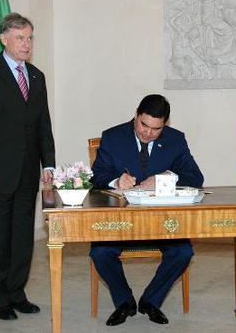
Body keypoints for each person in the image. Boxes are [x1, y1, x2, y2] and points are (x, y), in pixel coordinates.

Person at [0, 13, 55, 321]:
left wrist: (49, 164)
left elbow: (44, 124)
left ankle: (17, 293)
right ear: (4, 39)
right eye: (20, 38)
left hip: (28, 172)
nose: (27, 44)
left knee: (21, 238)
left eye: (30, 38)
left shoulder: (37, 76)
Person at [90, 94, 204, 326]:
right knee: (100, 252)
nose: (147, 133)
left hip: (161, 222)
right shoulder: (112, 137)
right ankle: (124, 302)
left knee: (183, 252)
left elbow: (196, 177)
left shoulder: (176, 140)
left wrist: (167, 177)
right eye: (143, 125)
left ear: (165, 124)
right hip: (120, 221)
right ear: (136, 115)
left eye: (156, 129)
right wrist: (115, 181)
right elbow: (96, 177)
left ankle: (151, 301)